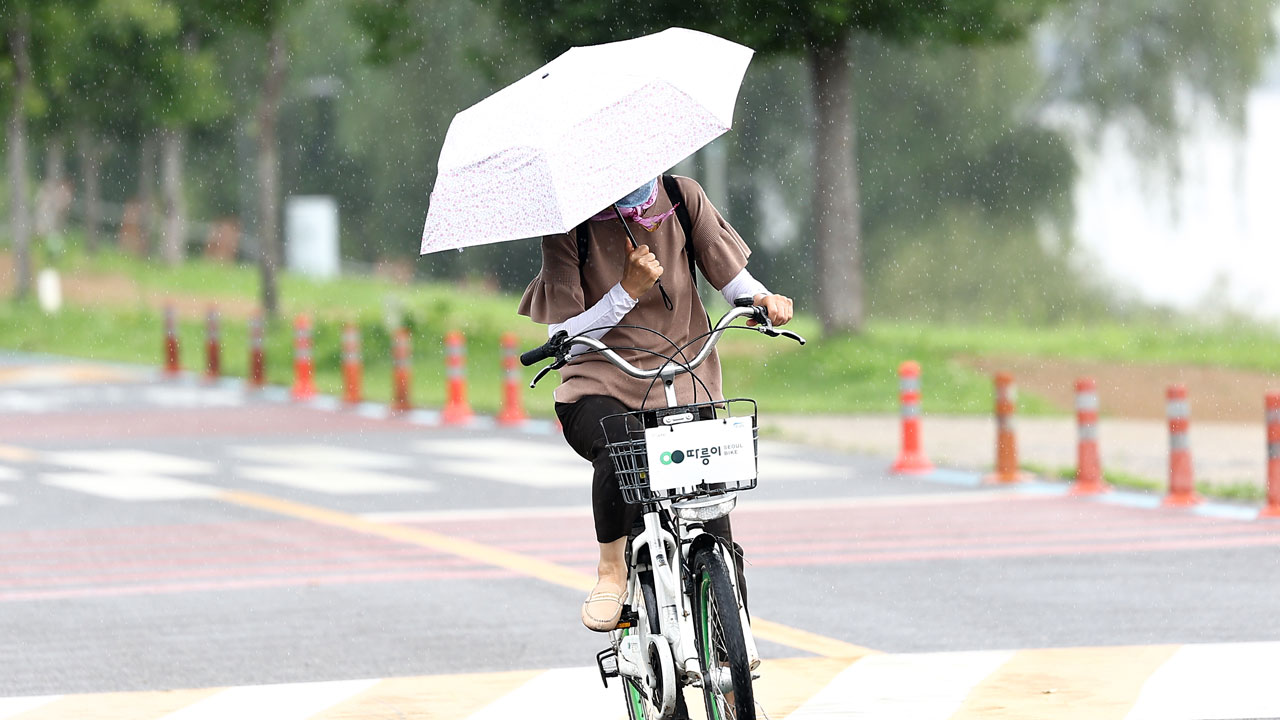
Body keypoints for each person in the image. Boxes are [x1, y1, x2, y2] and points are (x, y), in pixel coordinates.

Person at [518, 175, 794, 631]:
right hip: (602, 382)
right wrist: (625, 293)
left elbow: (732, 280)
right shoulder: (568, 226)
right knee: (622, 446)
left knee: (714, 521)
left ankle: (731, 648)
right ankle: (611, 571)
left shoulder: (682, 196)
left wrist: (760, 299)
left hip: (684, 377)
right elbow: (561, 337)